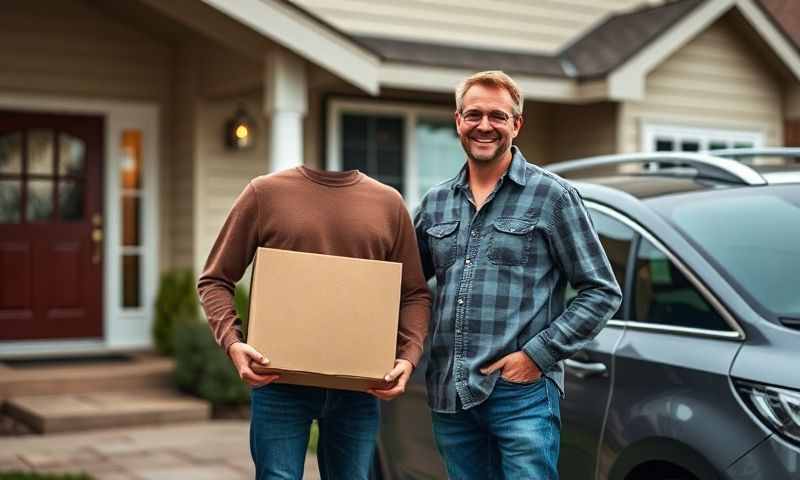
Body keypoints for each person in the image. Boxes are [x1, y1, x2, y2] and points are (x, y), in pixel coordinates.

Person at [414, 70, 622, 479]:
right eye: (473, 115)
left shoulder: (553, 196)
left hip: (520, 395)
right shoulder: (435, 203)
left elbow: (601, 291)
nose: (484, 126)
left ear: (516, 124)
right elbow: (404, 287)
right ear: (458, 121)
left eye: (498, 116)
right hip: (449, 395)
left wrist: (536, 357)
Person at [197, 165, 431, 480]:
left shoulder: (388, 203)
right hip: (279, 382)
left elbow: (415, 293)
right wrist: (233, 342)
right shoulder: (264, 193)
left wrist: (408, 356)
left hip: (360, 387)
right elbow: (215, 279)